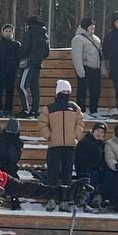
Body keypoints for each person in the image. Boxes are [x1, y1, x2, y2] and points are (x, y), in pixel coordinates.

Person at [37, 79, 84, 209]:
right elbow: (42, 123)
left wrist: (76, 136)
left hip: (70, 146)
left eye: (68, 91)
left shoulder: (75, 108)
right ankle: (52, 198)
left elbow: (80, 123)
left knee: (67, 173)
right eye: (63, 91)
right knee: (53, 172)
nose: (66, 93)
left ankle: (65, 199)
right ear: (57, 92)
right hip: (54, 145)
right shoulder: (49, 108)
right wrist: (49, 135)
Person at [17, 16, 50, 118]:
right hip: (38, 63)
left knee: (21, 86)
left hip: (29, 63)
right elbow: (47, 53)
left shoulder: (29, 33)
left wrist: (19, 54)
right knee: (34, 87)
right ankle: (34, 110)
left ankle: (25, 109)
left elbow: (24, 48)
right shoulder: (45, 35)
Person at [71, 18, 103, 116]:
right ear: (85, 26)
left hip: (96, 68)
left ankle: (94, 111)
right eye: (90, 25)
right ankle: (82, 111)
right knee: (82, 91)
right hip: (85, 67)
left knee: (96, 91)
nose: (92, 27)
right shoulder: (78, 39)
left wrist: (102, 69)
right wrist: (80, 71)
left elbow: (100, 55)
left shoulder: (96, 39)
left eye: (93, 25)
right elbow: (76, 56)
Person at [74, 121, 109, 210]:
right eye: (98, 131)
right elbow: (80, 160)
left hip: (97, 169)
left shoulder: (102, 145)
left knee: (109, 175)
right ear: (93, 131)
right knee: (93, 176)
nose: (99, 134)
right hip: (84, 169)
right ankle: (86, 202)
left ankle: (105, 200)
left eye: (102, 132)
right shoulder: (84, 142)